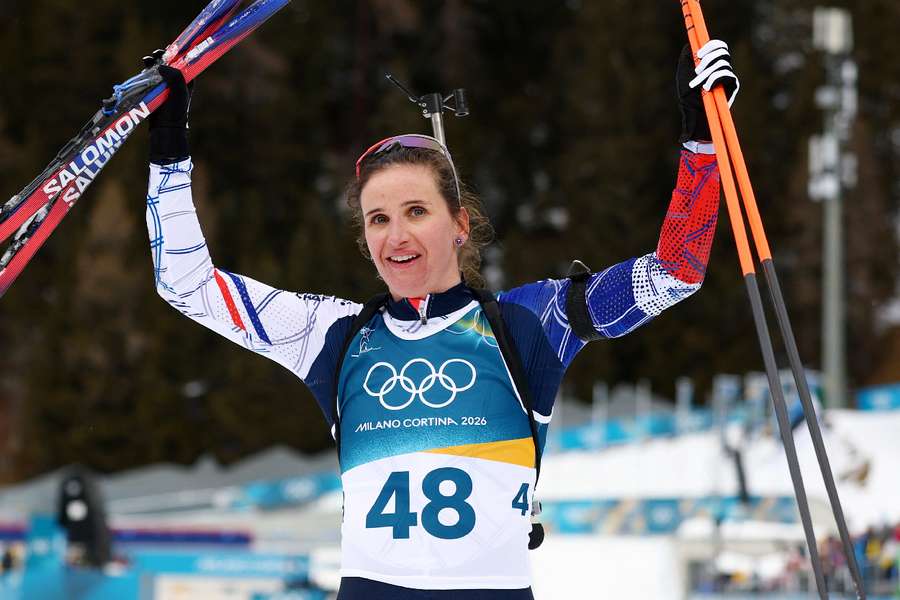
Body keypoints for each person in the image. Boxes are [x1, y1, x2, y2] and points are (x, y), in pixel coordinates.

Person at [144, 39, 739, 599]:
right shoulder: (331, 335)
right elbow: (186, 283)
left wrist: (702, 143)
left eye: (416, 211)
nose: (396, 235)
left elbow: (674, 272)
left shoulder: (527, 324)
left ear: (459, 225)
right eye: (378, 219)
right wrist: (169, 146)